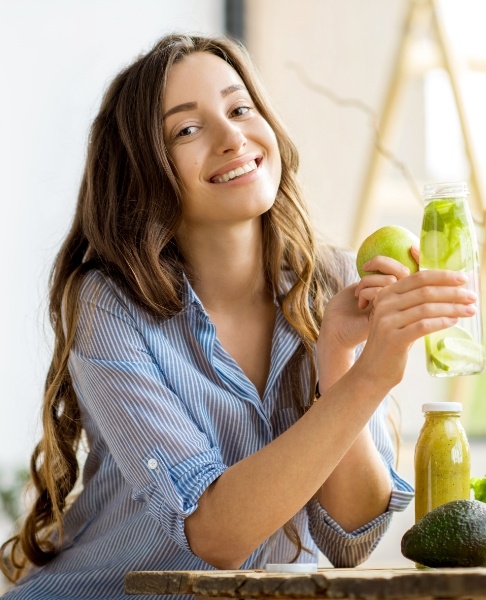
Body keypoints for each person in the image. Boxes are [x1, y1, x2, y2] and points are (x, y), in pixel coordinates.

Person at [0, 32, 477, 600]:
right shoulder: (110, 305)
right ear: (143, 171)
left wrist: (340, 361)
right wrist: (371, 379)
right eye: (187, 129)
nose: (232, 137)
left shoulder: (336, 283)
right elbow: (214, 534)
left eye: (240, 108)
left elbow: (351, 537)